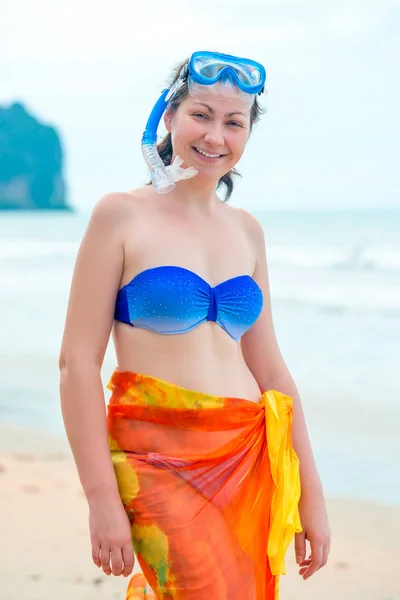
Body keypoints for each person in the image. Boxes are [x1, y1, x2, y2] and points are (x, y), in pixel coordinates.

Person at [59, 50, 331, 600]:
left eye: (234, 122)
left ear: (247, 134)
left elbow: (271, 368)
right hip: (156, 461)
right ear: (169, 116)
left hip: (247, 457)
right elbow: (77, 363)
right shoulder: (120, 215)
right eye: (201, 115)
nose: (215, 136)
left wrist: (311, 494)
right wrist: (100, 497)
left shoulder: (247, 231)